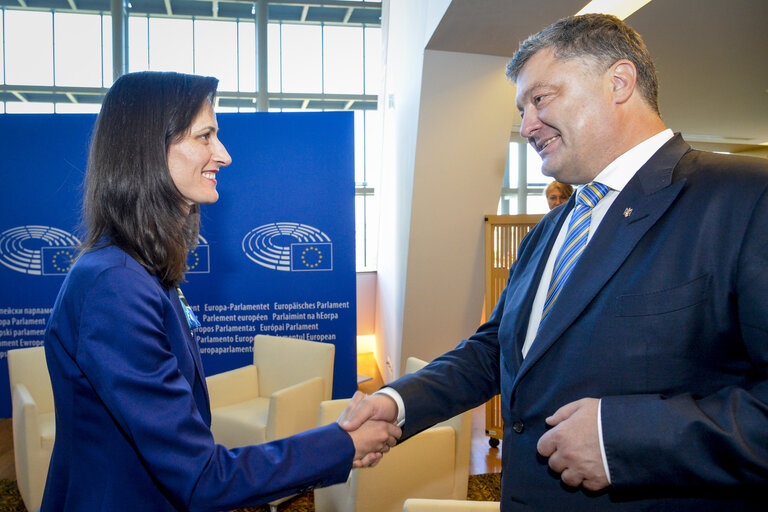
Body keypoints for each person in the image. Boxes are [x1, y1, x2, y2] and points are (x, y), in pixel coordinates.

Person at [339, 13, 768, 511]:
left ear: (619, 82)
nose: (524, 126)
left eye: (540, 99)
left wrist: (621, 438)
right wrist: (396, 402)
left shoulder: (746, 198)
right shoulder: (551, 229)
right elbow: (494, 351)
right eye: (521, 109)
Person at [41, 71, 400, 511]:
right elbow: (201, 477)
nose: (224, 156)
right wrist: (341, 444)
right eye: (205, 136)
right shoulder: (113, 285)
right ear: (149, 149)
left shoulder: (139, 270)